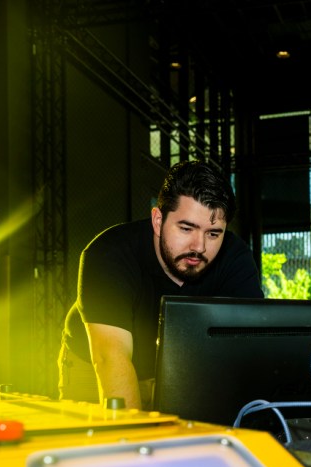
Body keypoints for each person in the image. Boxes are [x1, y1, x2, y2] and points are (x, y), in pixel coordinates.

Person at [59, 160, 264, 408]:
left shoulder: (235, 258)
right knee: (100, 442)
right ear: (158, 220)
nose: (199, 247)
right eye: (187, 228)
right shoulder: (109, 254)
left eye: (213, 233)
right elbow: (109, 357)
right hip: (96, 363)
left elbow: (247, 351)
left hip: (180, 370)